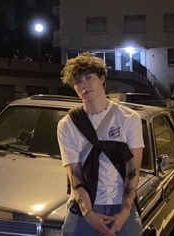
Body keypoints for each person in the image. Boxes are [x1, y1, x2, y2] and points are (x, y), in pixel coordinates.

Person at [57, 52, 144, 236]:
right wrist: (88, 214)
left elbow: (133, 169)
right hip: (85, 206)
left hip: (121, 204)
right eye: (78, 81)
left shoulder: (129, 118)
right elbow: (75, 174)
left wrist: (124, 213)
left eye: (89, 77)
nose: (84, 85)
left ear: (102, 78)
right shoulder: (67, 124)